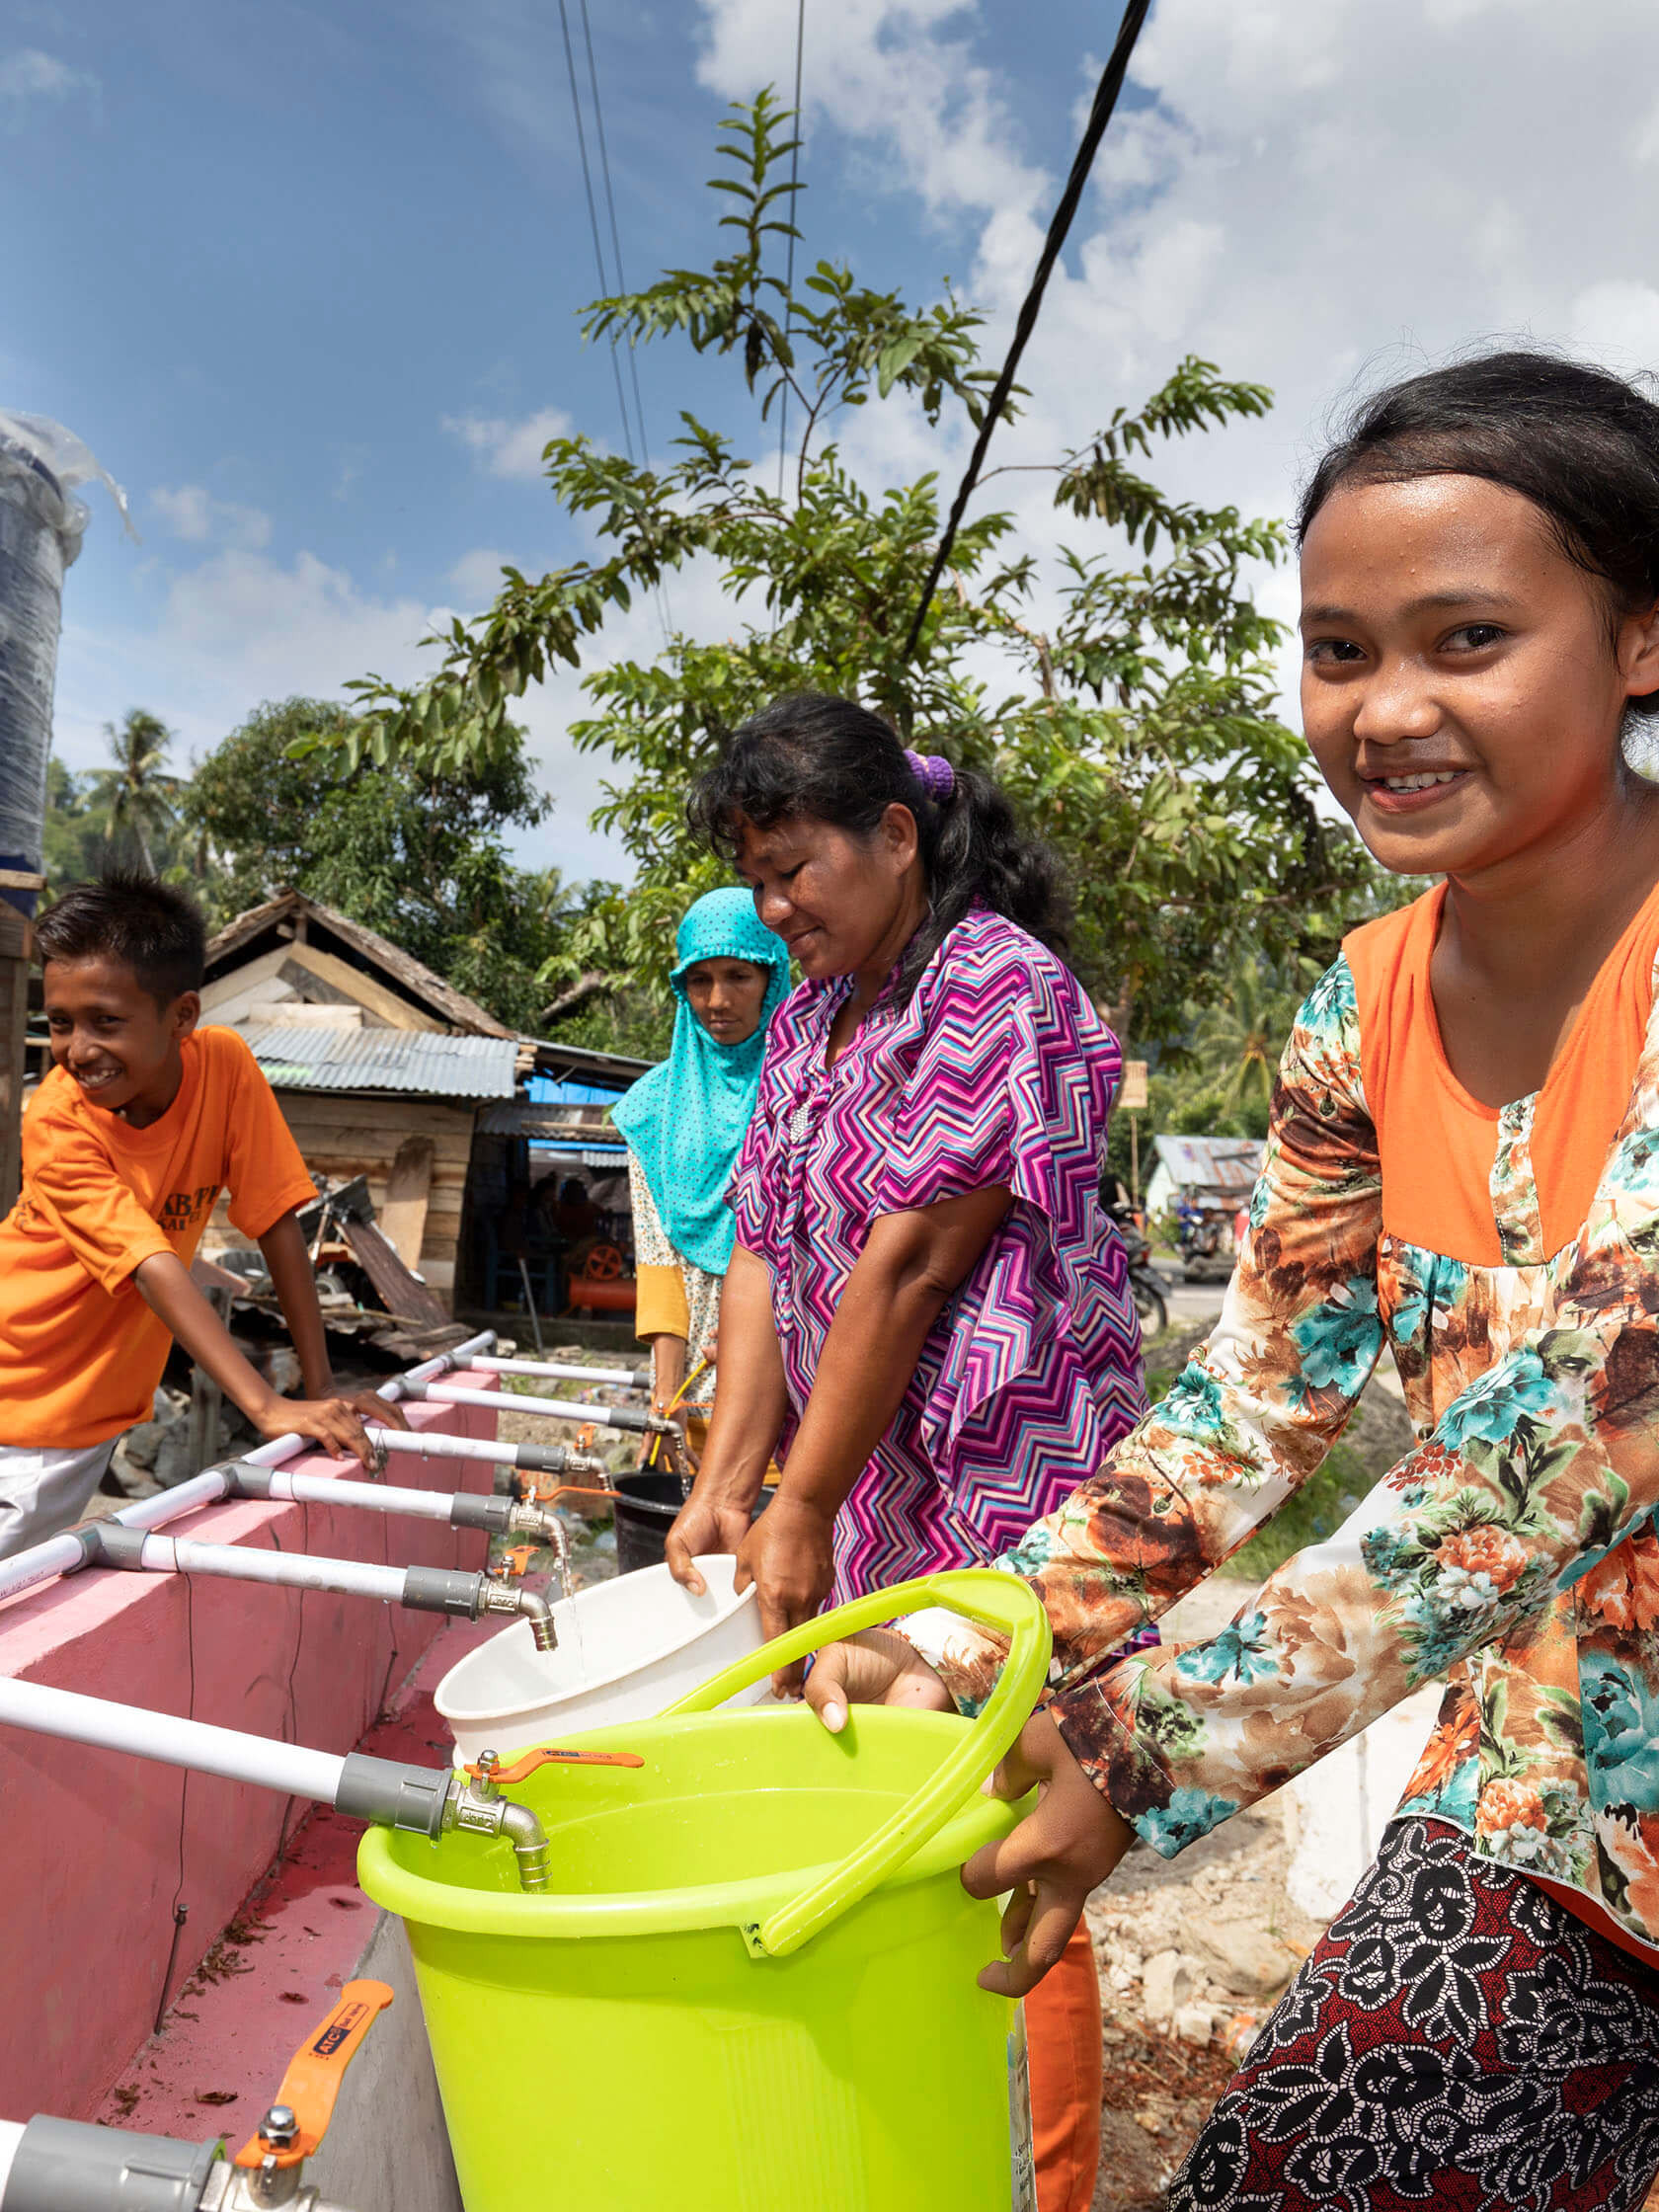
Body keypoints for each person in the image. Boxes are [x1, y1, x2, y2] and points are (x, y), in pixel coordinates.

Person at [807, 352, 1659, 2211]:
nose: (1386, 710)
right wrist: (977, 1637)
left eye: (1467, 638)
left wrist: (1146, 1744)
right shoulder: (1358, 1009)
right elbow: (1252, 1402)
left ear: (1641, 639)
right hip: (1556, 1803)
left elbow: (1598, 1419)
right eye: (1341, 650)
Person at [665, 692, 1146, 2212]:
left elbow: (914, 1261)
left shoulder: (995, 987)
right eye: (754, 872)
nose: (774, 904)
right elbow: (759, 1254)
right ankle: (911, 2157)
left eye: (795, 865)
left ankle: (1039, 2182)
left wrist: (796, 1502)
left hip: (1016, 1487)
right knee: (894, 1811)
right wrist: (725, 1484)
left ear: (894, 836)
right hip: (873, 1486)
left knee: (1013, 1819)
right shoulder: (813, 1015)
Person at [0, 873, 401, 1556]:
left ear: (182, 1016)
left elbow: (276, 1219)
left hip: (79, 1411)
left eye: (106, 1022)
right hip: (26, 1397)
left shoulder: (225, 1067)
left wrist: (321, 1384)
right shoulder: (57, 1119)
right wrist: (266, 1405)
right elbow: (152, 1267)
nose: (77, 1050)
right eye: (60, 1023)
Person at [611, 888, 791, 1447]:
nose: (717, 1000)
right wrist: (666, 1395)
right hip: (694, 1404)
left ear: (774, 978)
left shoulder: (810, 1088)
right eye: (699, 980)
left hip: (795, 1397)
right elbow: (658, 1259)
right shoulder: (651, 1108)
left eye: (739, 975)